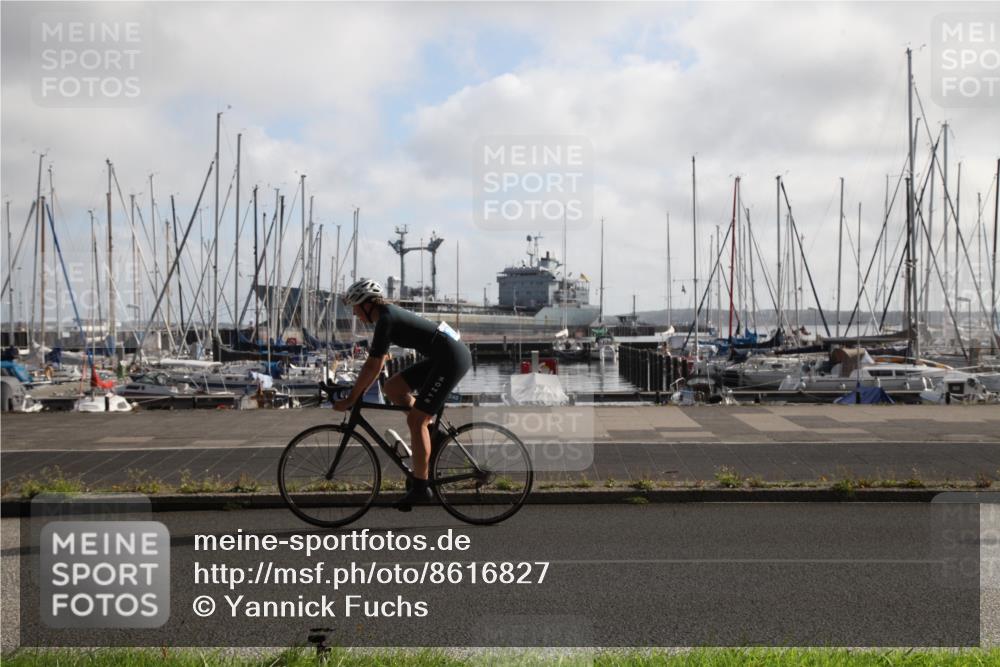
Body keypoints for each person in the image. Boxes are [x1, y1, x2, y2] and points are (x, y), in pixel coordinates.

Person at [333, 279, 472, 511]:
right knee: (392, 388)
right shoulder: (385, 317)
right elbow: (374, 367)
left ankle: (421, 487)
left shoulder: (386, 319)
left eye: (356, 307)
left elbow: (372, 366)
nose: (355, 313)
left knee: (415, 419)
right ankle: (430, 434)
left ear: (367, 305)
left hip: (451, 359)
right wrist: (357, 394)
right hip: (442, 356)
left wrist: (351, 399)